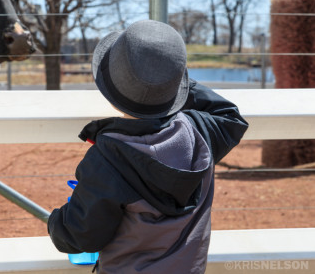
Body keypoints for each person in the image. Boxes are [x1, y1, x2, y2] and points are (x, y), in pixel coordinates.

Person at [47, 20, 249, 274]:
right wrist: (168, 79)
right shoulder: (201, 133)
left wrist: (57, 220)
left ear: (111, 91)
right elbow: (230, 116)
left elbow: (78, 236)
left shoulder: (107, 160)